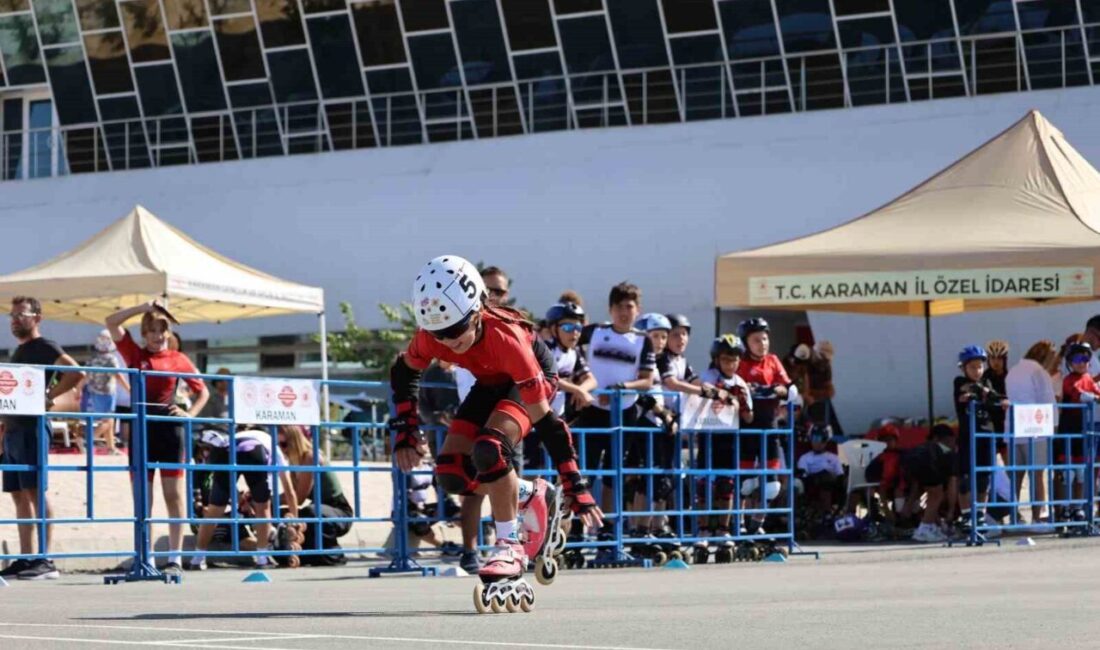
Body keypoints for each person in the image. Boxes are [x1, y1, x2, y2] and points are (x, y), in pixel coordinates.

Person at [388, 255, 601, 603]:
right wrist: (405, 430)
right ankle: (532, 494)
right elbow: (403, 372)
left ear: (476, 312)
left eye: (456, 330)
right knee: (452, 474)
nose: (449, 342)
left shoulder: (508, 339)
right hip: (489, 381)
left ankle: (509, 544)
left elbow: (548, 423)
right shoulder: (434, 336)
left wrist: (574, 483)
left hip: (531, 377)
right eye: (440, 334)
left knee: (490, 449)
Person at [106, 300, 210, 575]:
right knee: (143, 498)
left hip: (170, 431)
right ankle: (146, 556)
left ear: (168, 332)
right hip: (141, 431)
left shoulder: (178, 358)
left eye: (162, 329)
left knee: (173, 496)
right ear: (144, 333)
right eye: (151, 330)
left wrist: (190, 415)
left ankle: (175, 557)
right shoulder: (133, 353)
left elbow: (203, 391)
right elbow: (111, 322)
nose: (157, 335)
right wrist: (142, 307)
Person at [0, 297, 85, 580]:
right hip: (12, 430)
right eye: (12, 315)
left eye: (20, 314)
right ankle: (26, 557)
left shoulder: (44, 346)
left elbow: (75, 372)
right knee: (17, 495)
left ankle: (45, 559)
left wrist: (49, 396)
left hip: (32, 428)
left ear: (36, 317)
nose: (14, 319)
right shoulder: (20, 351)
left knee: (36, 491)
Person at [572, 282, 655, 551]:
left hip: (624, 412)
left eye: (629, 307)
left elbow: (647, 380)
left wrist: (621, 389)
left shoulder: (643, 340)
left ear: (637, 310)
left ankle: (607, 528)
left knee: (613, 472)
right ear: (610, 309)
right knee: (584, 470)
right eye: (619, 307)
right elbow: (569, 347)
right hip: (592, 409)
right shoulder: (594, 332)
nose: (624, 312)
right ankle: (575, 526)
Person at [452, 265, 509, 573]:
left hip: (507, 421)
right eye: (490, 291)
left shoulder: (511, 328)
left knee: (504, 483)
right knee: (468, 486)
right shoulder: (459, 325)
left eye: (500, 291)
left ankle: (508, 547)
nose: (495, 296)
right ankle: (470, 551)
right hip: (472, 416)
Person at [190, 427, 299, 570]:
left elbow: (230, 488)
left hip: (226, 450)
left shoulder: (243, 435)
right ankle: (262, 558)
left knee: (214, 510)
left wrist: (241, 499)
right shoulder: (274, 449)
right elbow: (289, 491)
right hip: (253, 450)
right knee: (263, 508)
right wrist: (296, 522)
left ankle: (197, 559)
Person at [695, 335, 753, 554]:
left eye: (736, 360)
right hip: (708, 434)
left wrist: (745, 403)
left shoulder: (741, 382)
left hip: (729, 437)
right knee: (704, 485)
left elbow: (748, 418)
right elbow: (697, 396)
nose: (731, 364)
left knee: (726, 485)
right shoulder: (708, 376)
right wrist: (721, 394)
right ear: (717, 360)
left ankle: (723, 529)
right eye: (727, 359)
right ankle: (703, 530)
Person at [277, 425, 354, 565]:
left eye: (283, 444)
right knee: (283, 513)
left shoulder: (310, 457)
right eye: (277, 445)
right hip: (321, 508)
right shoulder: (295, 462)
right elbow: (291, 495)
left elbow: (298, 498)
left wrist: (271, 499)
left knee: (311, 512)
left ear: (295, 442)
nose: (281, 450)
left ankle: (333, 554)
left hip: (338, 510)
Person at [953, 345, 1008, 535]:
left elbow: (995, 399)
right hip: (969, 437)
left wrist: (1001, 400)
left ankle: (981, 515)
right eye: (972, 367)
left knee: (984, 479)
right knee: (966, 478)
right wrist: (989, 397)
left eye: (980, 366)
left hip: (986, 436)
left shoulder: (988, 383)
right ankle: (967, 515)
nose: (977, 371)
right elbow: (972, 391)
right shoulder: (960, 381)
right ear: (964, 368)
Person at [1005, 340, 1059, 527]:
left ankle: (1014, 517)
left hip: (1013, 426)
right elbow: (1048, 400)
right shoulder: (1039, 372)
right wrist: (1055, 425)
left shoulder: (1013, 370)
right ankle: (1037, 517)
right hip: (1035, 427)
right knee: (1037, 474)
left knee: (1015, 475)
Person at [540, 302, 596, 457]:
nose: (575, 333)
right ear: (553, 329)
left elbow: (591, 379)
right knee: (534, 466)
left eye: (578, 328)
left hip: (559, 415)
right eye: (568, 328)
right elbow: (548, 378)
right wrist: (577, 389)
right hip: (536, 415)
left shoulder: (574, 352)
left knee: (565, 460)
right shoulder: (545, 349)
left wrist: (582, 390)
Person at [1056, 341, 1098, 522]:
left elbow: (1096, 391)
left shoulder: (1088, 378)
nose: (1082, 362)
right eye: (1077, 359)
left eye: (1085, 358)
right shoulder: (1069, 379)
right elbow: (1078, 394)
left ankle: (1078, 507)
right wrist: (1095, 397)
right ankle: (1064, 508)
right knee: (1068, 473)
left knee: (1081, 472)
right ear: (1070, 362)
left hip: (1082, 431)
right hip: (1068, 431)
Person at [901, 424, 958, 543]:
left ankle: (930, 525)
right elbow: (952, 483)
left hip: (909, 462)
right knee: (936, 494)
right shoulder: (947, 453)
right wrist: (951, 511)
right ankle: (925, 529)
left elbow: (917, 482)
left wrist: (910, 502)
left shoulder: (922, 447)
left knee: (933, 493)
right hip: (928, 463)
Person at [80, 330, 129, 454]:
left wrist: (78, 389)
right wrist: (129, 389)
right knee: (108, 420)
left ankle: (111, 448)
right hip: (108, 393)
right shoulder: (111, 359)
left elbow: (85, 375)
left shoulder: (93, 358)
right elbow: (118, 376)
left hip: (94, 393)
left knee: (106, 420)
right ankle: (87, 440)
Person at [795, 425, 843, 514]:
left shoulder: (834, 458)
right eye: (815, 438)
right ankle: (825, 512)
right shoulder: (805, 458)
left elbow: (840, 475)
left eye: (822, 439)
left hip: (832, 483)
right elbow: (803, 475)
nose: (818, 442)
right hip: (812, 481)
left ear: (827, 441)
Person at [984, 340, 1010, 433]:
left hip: (1007, 420)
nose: (996, 362)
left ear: (1004, 360)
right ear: (988, 360)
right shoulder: (984, 377)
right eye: (992, 358)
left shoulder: (1010, 377)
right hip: (990, 420)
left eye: (999, 358)